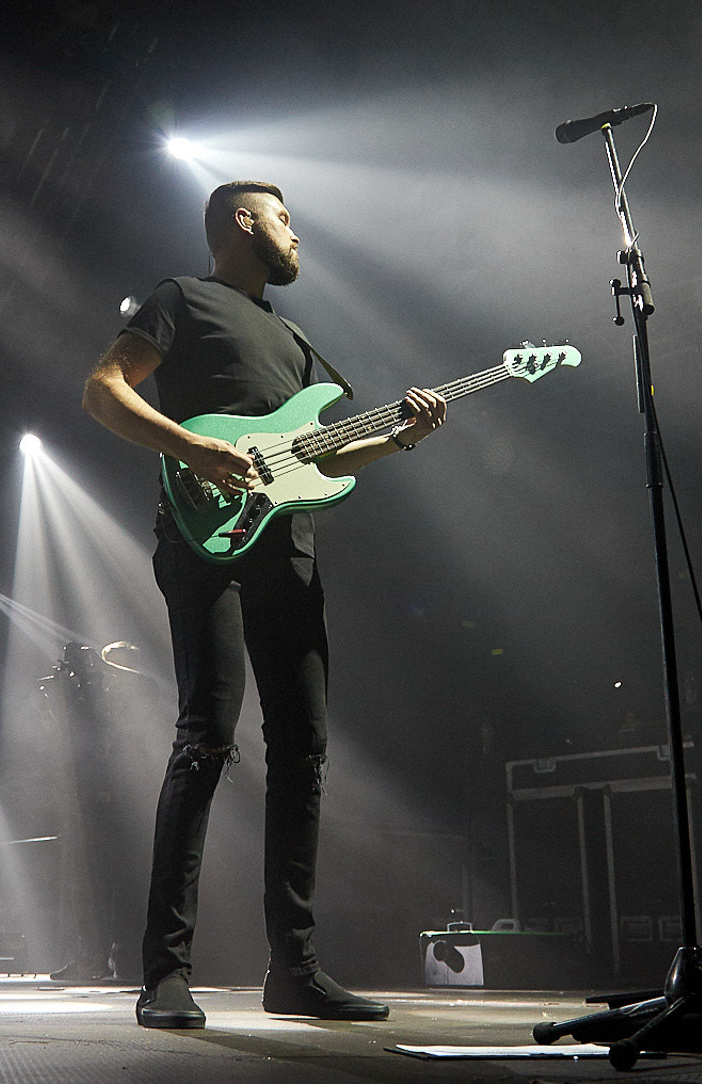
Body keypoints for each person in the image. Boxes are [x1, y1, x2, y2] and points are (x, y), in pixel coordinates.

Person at [82, 180, 446, 1027]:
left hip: (289, 551)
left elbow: (320, 455)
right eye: (282, 218)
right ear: (243, 223)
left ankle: (296, 971)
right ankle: (164, 974)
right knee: (206, 735)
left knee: (304, 752)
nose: (295, 233)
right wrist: (191, 445)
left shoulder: (294, 338)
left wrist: (396, 437)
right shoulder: (184, 298)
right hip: (204, 540)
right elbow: (103, 389)